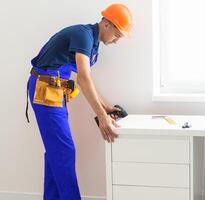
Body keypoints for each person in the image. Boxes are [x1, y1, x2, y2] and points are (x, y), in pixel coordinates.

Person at [25, 3, 132, 200]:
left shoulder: (92, 41)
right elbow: (83, 78)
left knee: (56, 151)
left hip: (54, 92)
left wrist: (104, 106)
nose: (117, 40)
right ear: (107, 24)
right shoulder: (83, 35)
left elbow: (85, 79)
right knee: (64, 150)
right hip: (45, 90)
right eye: (118, 34)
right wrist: (101, 116)